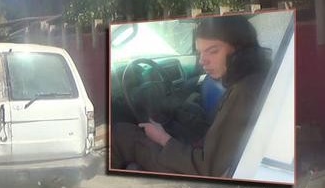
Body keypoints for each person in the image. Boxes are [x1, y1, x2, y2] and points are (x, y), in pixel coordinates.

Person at [111, 15, 272, 178]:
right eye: (200, 52)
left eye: (213, 51)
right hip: (203, 153)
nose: (202, 61)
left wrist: (163, 138)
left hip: (193, 171)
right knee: (180, 112)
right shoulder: (254, 79)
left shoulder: (244, 92)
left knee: (120, 134)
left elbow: (206, 169)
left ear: (241, 49)